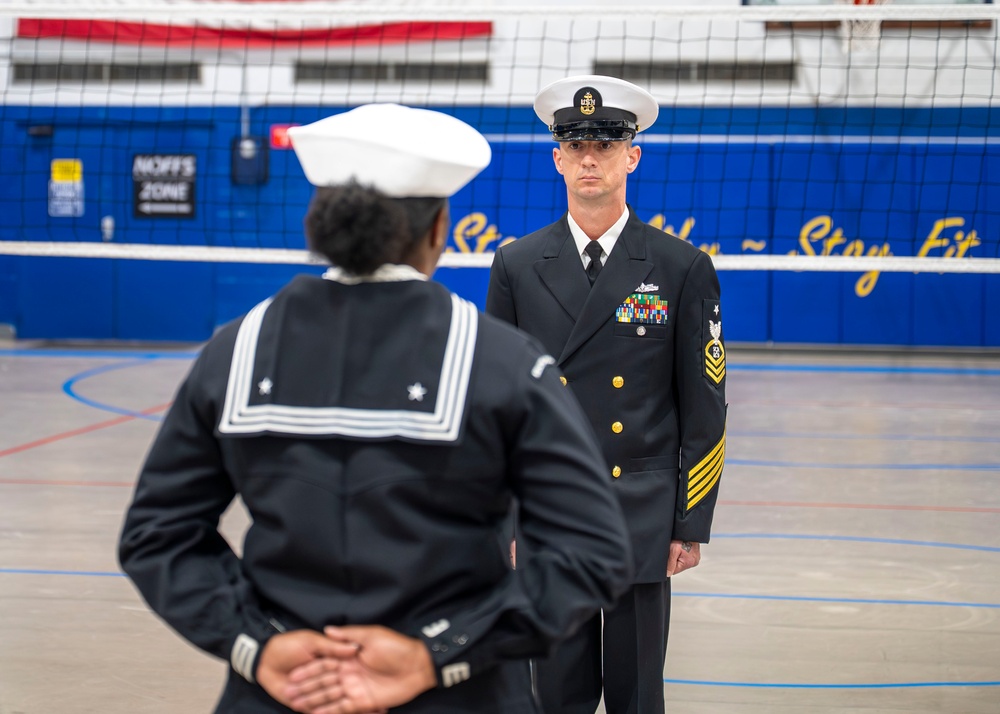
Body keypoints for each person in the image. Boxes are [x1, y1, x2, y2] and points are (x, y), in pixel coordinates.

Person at [118, 103, 633, 714]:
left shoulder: (235, 351)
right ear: (440, 226)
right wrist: (436, 652)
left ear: (320, 222)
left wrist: (258, 644)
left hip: (284, 692)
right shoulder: (501, 362)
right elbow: (593, 552)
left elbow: (157, 536)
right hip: (458, 698)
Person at [485, 76, 728, 714]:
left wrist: (689, 520)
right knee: (554, 697)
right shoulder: (515, 265)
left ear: (633, 155)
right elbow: (499, 409)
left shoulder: (681, 268)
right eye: (575, 144)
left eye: (606, 142)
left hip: (642, 515)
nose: (590, 157)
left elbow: (705, 407)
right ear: (557, 158)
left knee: (637, 697)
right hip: (547, 513)